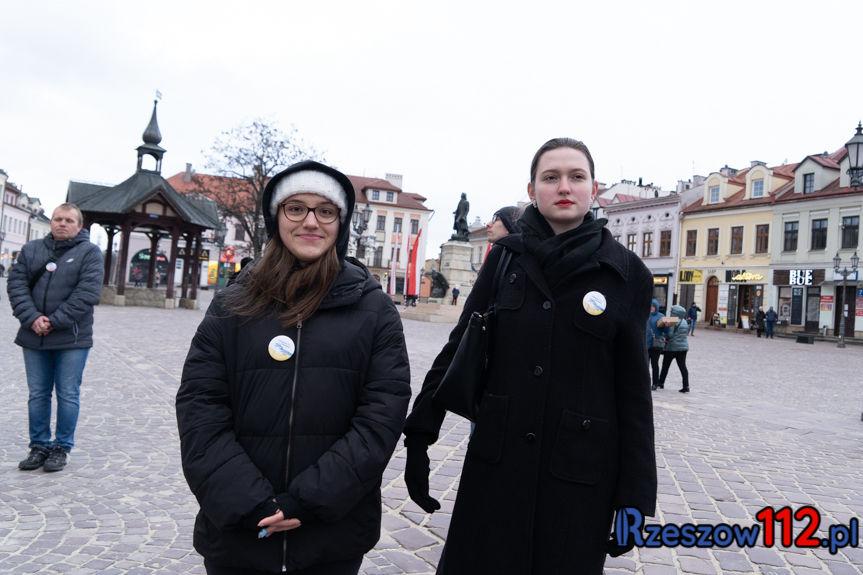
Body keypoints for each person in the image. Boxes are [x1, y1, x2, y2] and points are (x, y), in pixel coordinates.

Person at [402, 138, 657, 574]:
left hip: (577, 475)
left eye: (576, 177)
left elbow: (633, 391)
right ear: (532, 189)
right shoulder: (505, 258)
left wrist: (634, 495)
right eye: (551, 177)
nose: (564, 186)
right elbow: (460, 345)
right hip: (497, 465)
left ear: (593, 189)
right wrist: (419, 435)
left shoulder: (628, 273)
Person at [176, 160, 411, 575]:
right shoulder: (232, 303)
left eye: (325, 211)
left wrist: (308, 500)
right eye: (296, 208)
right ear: (276, 217)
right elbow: (200, 405)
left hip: (330, 535)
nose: (311, 221)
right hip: (239, 531)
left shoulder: (374, 309)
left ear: (341, 222)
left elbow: (381, 416)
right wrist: (247, 500)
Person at [7, 203, 104, 472]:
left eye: (69, 220)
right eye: (58, 219)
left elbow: (87, 293)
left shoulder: (90, 253)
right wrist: (33, 318)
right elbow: (16, 285)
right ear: (51, 222)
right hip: (33, 335)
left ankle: (61, 447)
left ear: (79, 226)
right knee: (37, 394)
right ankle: (39, 446)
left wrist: (54, 321)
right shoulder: (31, 250)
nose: (62, 223)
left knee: (67, 394)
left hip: (72, 338)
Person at [658, 305, 690, 393]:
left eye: (672, 312)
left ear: (675, 313)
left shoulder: (673, 321)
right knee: (683, 367)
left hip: (672, 348)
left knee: (665, 366)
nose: (671, 314)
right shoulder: (684, 321)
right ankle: (686, 386)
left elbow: (670, 335)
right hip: (683, 348)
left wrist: (665, 330)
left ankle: (661, 383)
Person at [646, 298, 666, 390]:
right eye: (650, 306)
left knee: (654, 364)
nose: (651, 308)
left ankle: (655, 383)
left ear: (656, 307)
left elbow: (666, 331)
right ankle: (646, 383)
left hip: (655, 345)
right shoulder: (645, 315)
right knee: (645, 365)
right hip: (646, 344)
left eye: (653, 306)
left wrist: (666, 326)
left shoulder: (661, 316)